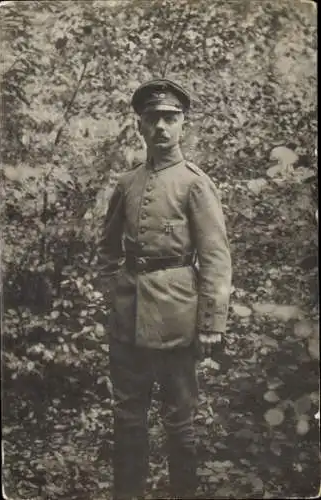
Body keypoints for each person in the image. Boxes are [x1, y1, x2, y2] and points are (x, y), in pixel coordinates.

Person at [99, 78, 232, 500]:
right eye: (152, 118)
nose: (161, 126)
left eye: (170, 118)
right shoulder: (127, 183)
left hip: (178, 316)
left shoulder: (195, 183)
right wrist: (113, 289)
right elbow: (107, 247)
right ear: (139, 125)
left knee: (180, 419)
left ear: (183, 126)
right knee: (128, 416)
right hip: (127, 316)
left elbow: (215, 256)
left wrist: (211, 323)